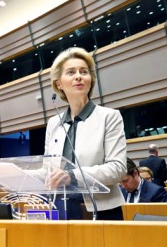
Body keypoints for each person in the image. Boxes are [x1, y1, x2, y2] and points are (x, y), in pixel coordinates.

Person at [44, 48, 127, 220]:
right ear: (59, 83)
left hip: (102, 210)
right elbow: (48, 170)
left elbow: (117, 169)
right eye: (71, 72)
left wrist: (72, 176)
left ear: (90, 80)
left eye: (84, 72)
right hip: (60, 207)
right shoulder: (53, 124)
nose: (78, 76)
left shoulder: (109, 117)